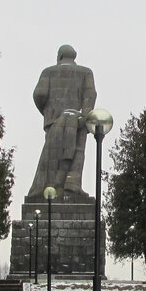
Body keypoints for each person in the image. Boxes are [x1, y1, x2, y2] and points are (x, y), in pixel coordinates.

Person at [28, 45, 97, 199]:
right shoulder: (86, 73)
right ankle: (72, 185)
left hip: (54, 120)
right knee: (77, 152)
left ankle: (51, 186)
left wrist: (47, 112)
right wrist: (84, 117)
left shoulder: (48, 72)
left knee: (52, 155)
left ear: (59, 57)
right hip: (78, 120)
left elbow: (39, 94)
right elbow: (90, 96)